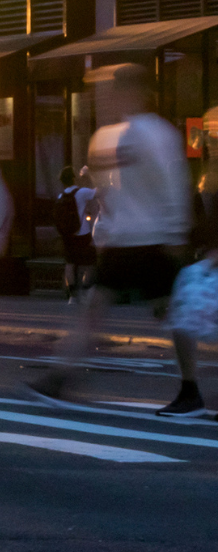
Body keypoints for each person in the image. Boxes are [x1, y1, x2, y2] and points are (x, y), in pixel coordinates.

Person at [27, 63, 204, 417]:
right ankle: (60, 377)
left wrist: (175, 232)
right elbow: (105, 194)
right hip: (125, 240)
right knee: (98, 308)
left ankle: (190, 389)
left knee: (175, 314)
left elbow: (173, 184)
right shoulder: (104, 137)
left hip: (155, 238)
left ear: (136, 92)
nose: (106, 98)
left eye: (113, 90)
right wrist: (105, 234)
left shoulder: (157, 133)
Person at [53, 166, 98, 304]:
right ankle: (86, 290)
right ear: (73, 178)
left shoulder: (60, 196)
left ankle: (72, 296)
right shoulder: (82, 192)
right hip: (83, 233)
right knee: (91, 262)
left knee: (70, 264)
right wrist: (89, 175)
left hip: (67, 236)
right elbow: (99, 192)